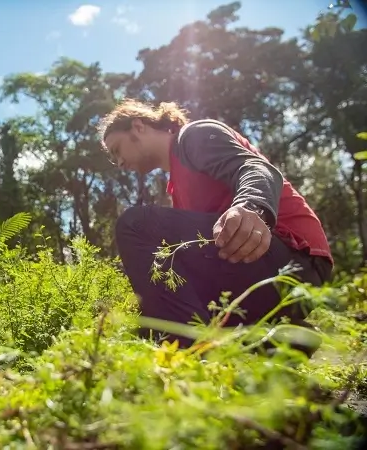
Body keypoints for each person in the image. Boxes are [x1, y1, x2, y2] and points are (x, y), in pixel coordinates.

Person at [97, 99, 333, 354]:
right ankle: (281, 338)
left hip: (294, 259)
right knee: (150, 315)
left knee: (135, 225)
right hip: (261, 274)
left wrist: (251, 207)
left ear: (138, 126)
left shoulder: (193, 136)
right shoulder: (177, 188)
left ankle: (189, 355)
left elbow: (255, 167)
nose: (119, 163)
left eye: (117, 150)